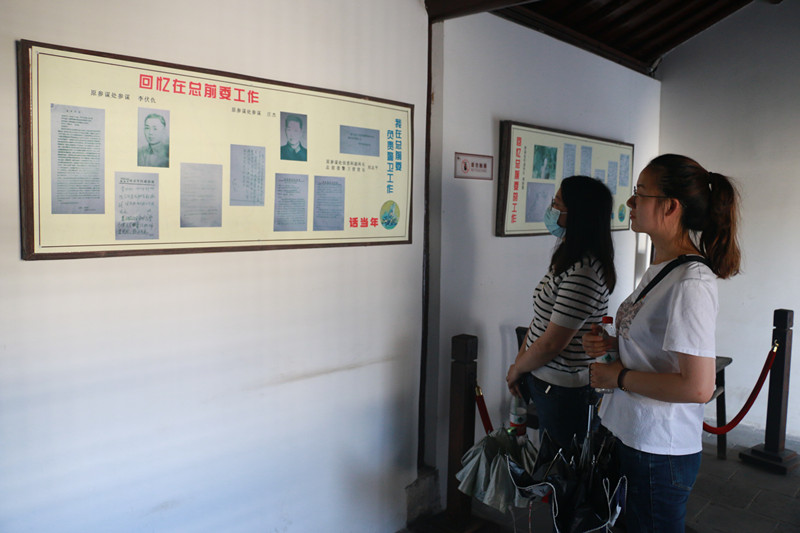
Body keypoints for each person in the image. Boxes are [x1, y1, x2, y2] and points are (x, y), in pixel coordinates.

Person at [583, 154, 741, 533]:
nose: (630, 202)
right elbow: (657, 351)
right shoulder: (664, 268)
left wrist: (618, 377)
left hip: (657, 450)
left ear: (670, 207)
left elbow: (697, 387)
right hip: (630, 434)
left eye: (640, 193)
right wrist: (614, 343)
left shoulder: (691, 282)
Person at [506, 175, 617, 449]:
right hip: (543, 379)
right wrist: (520, 365)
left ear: (577, 215)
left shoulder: (585, 272)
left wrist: (517, 368)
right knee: (548, 459)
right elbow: (542, 319)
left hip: (564, 390)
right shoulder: (569, 258)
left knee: (560, 466)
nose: (551, 209)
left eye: (557, 204)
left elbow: (552, 343)